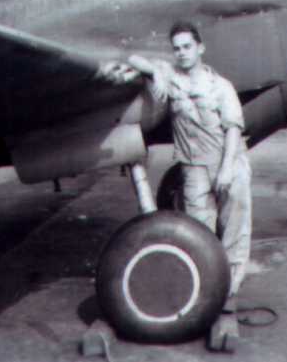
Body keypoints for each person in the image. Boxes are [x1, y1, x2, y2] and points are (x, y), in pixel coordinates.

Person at [113, 21, 251, 350]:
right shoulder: (171, 77)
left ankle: (227, 300)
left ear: (200, 48)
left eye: (188, 47)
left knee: (234, 232)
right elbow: (135, 58)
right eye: (176, 48)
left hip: (227, 162)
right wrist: (151, 72)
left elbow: (233, 129)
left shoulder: (221, 86)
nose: (182, 53)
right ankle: (205, 299)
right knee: (200, 236)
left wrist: (228, 169)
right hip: (194, 168)